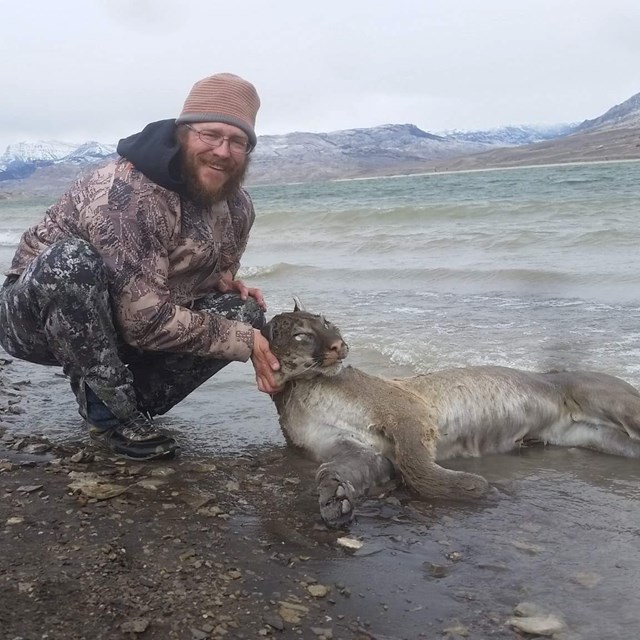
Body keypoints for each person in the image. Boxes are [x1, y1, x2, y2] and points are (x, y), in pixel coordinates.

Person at [0, 72, 281, 461]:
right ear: (183, 132)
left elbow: (218, 269)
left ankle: (135, 403)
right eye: (210, 134)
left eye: (237, 141)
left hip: (125, 314)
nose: (222, 151)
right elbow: (143, 321)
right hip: (34, 320)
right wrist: (246, 340)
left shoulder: (238, 206)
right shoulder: (128, 193)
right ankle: (112, 413)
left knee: (245, 312)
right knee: (72, 263)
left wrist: (228, 287)